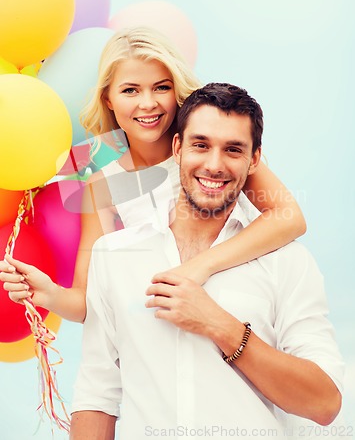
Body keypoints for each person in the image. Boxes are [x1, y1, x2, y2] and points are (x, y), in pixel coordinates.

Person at [69, 83, 343, 440]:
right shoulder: (114, 257)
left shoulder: (287, 262)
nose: (214, 165)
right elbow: (97, 394)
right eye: (201, 145)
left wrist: (220, 326)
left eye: (233, 150)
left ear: (254, 159)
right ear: (178, 147)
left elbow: (323, 404)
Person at [0, 27, 306, 324]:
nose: (148, 103)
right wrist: (49, 294)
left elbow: (290, 217)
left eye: (161, 87)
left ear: (176, 90)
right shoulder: (101, 181)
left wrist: (201, 267)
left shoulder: (209, 145)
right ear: (108, 98)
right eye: (130, 90)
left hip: (244, 313)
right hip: (164, 330)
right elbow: (87, 303)